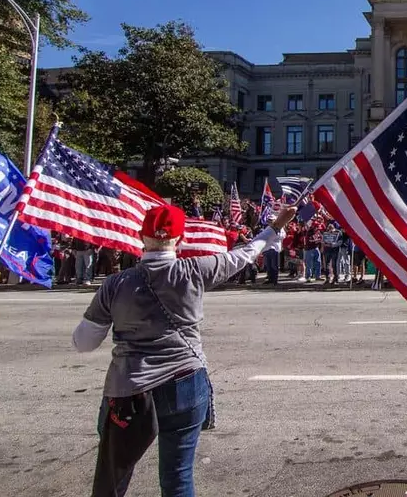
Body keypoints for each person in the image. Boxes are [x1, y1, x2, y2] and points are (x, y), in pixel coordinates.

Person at [72, 204, 297, 496]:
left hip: (130, 389)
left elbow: (84, 342)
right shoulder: (195, 271)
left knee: (112, 480)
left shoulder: (116, 284)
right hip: (185, 383)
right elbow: (245, 254)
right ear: (179, 239)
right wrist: (276, 226)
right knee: (177, 477)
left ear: (142, 237)